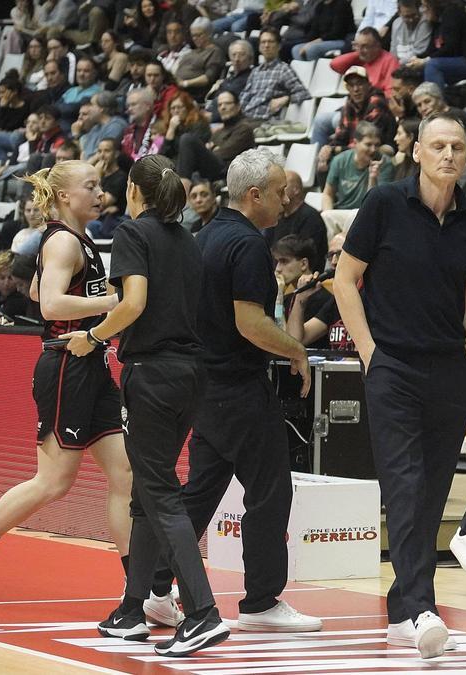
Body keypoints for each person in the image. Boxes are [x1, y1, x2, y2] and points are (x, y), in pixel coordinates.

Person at [333, 110, 466, 659]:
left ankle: (402, 607)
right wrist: (371, 353)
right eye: (438, 145)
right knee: (404, 483)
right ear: (418, 152)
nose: (449, 154)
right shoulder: (383, 204)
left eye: (458, 146)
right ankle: (424, 607)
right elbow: (344, 280)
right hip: (392, 366)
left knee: (432, 491)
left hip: (449, 369)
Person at [0, 161, 132, 615]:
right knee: (53, 481)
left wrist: (90, 308)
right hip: (67, 364)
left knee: (127, 475)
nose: (99, 191)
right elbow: (48, 302)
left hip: (91, 360)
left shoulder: (71, 238)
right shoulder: (65, 239)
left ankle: (142, 588)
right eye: (90, 186)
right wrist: (116, 301)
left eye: (100, 184)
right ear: (65, 196)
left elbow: (32, 289)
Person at [149, 148, 324, 634]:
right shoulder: (246, 244)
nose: (286, 197)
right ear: (254, 195)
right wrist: (295, 350)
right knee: (270, 492)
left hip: (202, 385)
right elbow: (249, 323)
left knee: (201, 491)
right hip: (237, 387)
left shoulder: (203, 236)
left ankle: (155, 588)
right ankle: (262, 601)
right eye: (278, 190)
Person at [53, 154, 221, 656]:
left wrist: (92, 336)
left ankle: (203, 613)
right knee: (147, 493)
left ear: (133, 190)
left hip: (152, 375)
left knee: (160, 493)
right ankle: (132, 609)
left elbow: (133, 304)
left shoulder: (132, 232)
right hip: (191, 375)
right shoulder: (189, 239)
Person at [317, 66, 396, 171]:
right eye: (351, 85)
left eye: (359, 84)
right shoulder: (349, 105)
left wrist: (336, 149)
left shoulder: (376, 102)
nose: (356, 89)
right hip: (356, 147)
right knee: (323, 163)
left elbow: (368, 139)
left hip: (379, 147)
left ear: (368, 84)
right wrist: (328, 149)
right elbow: (341, 136)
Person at [322, 122, 396, 234]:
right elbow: (328, 193)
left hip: (366, 214)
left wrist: (373, 177)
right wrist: (328, 212)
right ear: (355, 143)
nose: (373, 149)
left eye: (377, 145)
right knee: (324, 216)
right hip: (341, 213)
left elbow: (377, 204)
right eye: (368, 144)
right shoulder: (340, 160)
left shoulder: (384, 164)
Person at [406, 0, 466, 86]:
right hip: (458, 59)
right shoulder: (437, 22)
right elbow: (432, 48)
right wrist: (417, 59)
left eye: (425, 6)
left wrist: (425, 61)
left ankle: (435, 98)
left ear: (434, 5)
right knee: (410, 68)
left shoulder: (452, 13)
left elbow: (450, 47)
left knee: (433, 65)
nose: (423, 10)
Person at [240, 29, 311, 121]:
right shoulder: (255, 72)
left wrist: (286, 99)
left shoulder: (283, 69)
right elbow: (244, 97)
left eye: (270, 42)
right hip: (245, 119)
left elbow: (303, 93)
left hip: (264, 121)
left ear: (279, 46)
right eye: (263, 42)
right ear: (259, 47)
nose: (266, 45)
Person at [265, 170, 327, 263]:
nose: (277, 191)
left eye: (283, 187)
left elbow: (305, 256)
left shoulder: (311, 218)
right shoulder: (276, 216)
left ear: (296, 190)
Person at [331, 26, 402, 97]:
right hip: (359, 102)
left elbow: (391, 93)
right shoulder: (359, 58)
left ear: (377, 46)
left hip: (376, 103)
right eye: (357, 46)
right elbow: (335, 64)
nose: (360, 50)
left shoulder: (390, 61)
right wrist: (358, 53)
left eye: (365, 46)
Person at [173, 18, 225, 101]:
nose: (194, 38)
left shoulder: (215, 52)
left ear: (209, 34)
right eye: (193, 35)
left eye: (199, 35)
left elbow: (208, 78)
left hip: (193, 94)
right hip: (176, 89)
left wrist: (185, 83)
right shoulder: (190, 52)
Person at [121, 88, 163, 161]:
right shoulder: (128, 131)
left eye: (133, 104)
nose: (129, 109)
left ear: (147, 106)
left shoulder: (160, 126)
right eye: (128, 106)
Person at [390, 0, 434, 64]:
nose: (411, 20)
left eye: (414, 15)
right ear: (399, 13)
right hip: (399, 64)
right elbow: (393, 50)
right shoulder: (396, 23)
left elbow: (419, 51)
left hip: (416, 63)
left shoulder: (425, 23)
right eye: (407, 16)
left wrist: (398, 64)